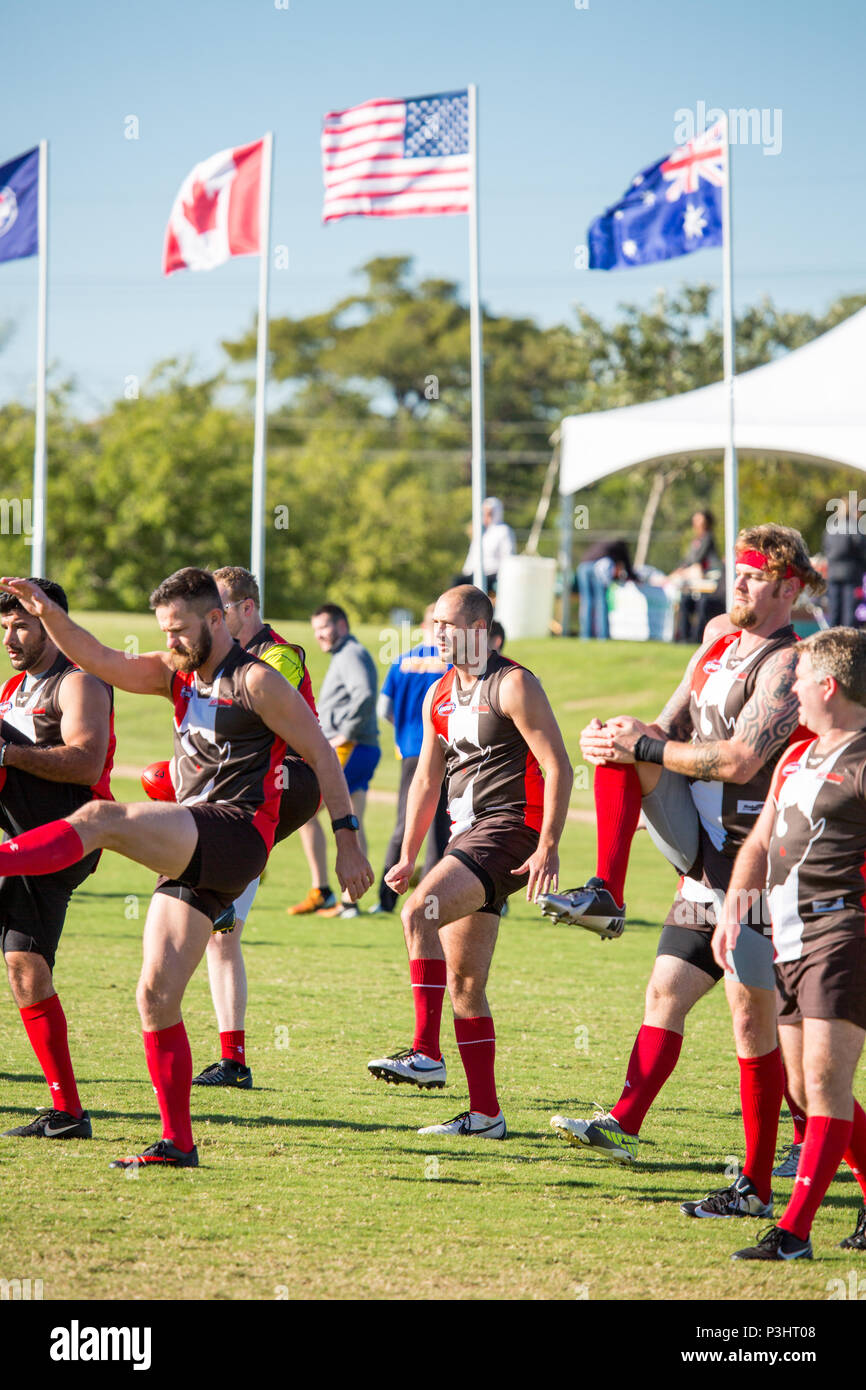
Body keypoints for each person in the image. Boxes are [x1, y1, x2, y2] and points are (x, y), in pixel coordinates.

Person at [0, 569, 373, 1169]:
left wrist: (348, 838)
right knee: (155, 995)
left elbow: (322, 752)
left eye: (179, 630)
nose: (170, 641)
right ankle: (179, 1144)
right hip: (197, 842)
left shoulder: (257, 679)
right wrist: (46, 613)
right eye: (163, 631)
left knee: (101, 816)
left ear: (216, 621)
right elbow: (94, 656)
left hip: (235, 832)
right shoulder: (174, 672)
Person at [541, 526, 825, 1215]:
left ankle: (798, 1147)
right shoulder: (717, 643)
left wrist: (647, 748)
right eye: (739, 574)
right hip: (704, 853)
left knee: (758, 1021)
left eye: (757, 578)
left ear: (789, 588)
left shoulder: (788, 664)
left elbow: (739, 762)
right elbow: (660, 731)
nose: (741, 586)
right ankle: (626, 1123)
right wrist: (620, 742)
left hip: (756, 866)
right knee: (668, 992)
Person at [367, 585, 573, 1138]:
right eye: (433, 622)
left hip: (510, 830)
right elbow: (426, 781)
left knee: (417, 913)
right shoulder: (438, 693)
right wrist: (408, 853)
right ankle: (486, 1115)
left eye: (448, 624)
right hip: (469, 836)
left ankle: (425, 1051)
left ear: (479, 631)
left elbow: (558, 766)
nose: (436, 634)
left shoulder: (513, 684)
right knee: (464, 983)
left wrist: (548, 842)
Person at [711, 629, 866, 1260]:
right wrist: (734, 909)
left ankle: (794, 1233)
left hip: (843, 933)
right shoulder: (798, 754)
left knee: (825, 1084)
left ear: (829, 686)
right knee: (805, 1090)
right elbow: (758, 841)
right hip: (789, 937)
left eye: (800, 679)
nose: (792, 691)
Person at [189, 565, 322, 1089]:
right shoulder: (218, 661)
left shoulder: (278, 656)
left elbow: (256, 719)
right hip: (247, 792)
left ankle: (233, 1060)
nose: (211, 621)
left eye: (219, 609)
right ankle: (234, 1060)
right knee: (221, 934)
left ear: (247, 608)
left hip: (286, 786)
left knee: (218, 925)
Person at [0, 580, 115, 1142]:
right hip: (21, 842)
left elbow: (87, 764)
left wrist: (6, 751)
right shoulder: (12, 688)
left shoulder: (79, 681)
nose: (11, 638)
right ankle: (67, 1111)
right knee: (24, 963)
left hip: (67, 832)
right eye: (4, 628)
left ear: (51, 622)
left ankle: (68, 1111)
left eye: (21, 625)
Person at [288, 603, 380, 921]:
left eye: (325, 627)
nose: (320, 636)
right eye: (315, 631)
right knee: (352, 818)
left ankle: (325, 891)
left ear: (342, 625)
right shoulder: (345, 655)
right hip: (360, 748)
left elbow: (366, 694)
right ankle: (349, 901)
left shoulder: (351, 653)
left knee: (305, 811)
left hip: (352, 747)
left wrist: (345, 733)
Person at [372, 606, 449, 916]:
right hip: (443, 750)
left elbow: (383, 709)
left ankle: (386, 898)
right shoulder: (451, 663)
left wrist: (405, 731)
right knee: (440, 827)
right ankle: (432, 901)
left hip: (409, 749)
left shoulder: (402, 660)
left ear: (421, 626)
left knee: (405, 821)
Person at [666, 510, 724, 643]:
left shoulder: (708, 538)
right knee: (685, 601)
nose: (697, 524)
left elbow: (697, 559)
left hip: (710, 580)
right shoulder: (695, 541)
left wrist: (682, 571)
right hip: (696, 582)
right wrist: (677, 571)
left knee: (702, 603)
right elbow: (688, 560)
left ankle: (696, 637)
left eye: (701, 521)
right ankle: (684, 637)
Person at [576, 538, 635, 641]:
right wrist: (634, 577)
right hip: (599, 567)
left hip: (583, 566)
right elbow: (627, 565)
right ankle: (603, 636)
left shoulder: (603, 544)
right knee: (601, 601)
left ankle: (585, 636)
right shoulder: (620, 547)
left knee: (586, 602)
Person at [821, 501, 866, 629]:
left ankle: (833, 640)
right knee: (849, 613)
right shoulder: (855, 528)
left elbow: (826, 548)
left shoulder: (830, 528)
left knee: (834, 611)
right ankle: (848, 643)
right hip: (852, 575)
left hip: (833, 574)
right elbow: (861, 548)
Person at [460, 498, 516, 593]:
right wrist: (466, 571)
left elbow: (508, 556)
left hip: (493, 575)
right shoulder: (481, 531)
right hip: (475, 574)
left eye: (489, 513)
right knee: (458, 583)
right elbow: (473, 555)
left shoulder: (504, 531)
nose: (486, 516)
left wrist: (503, 578)